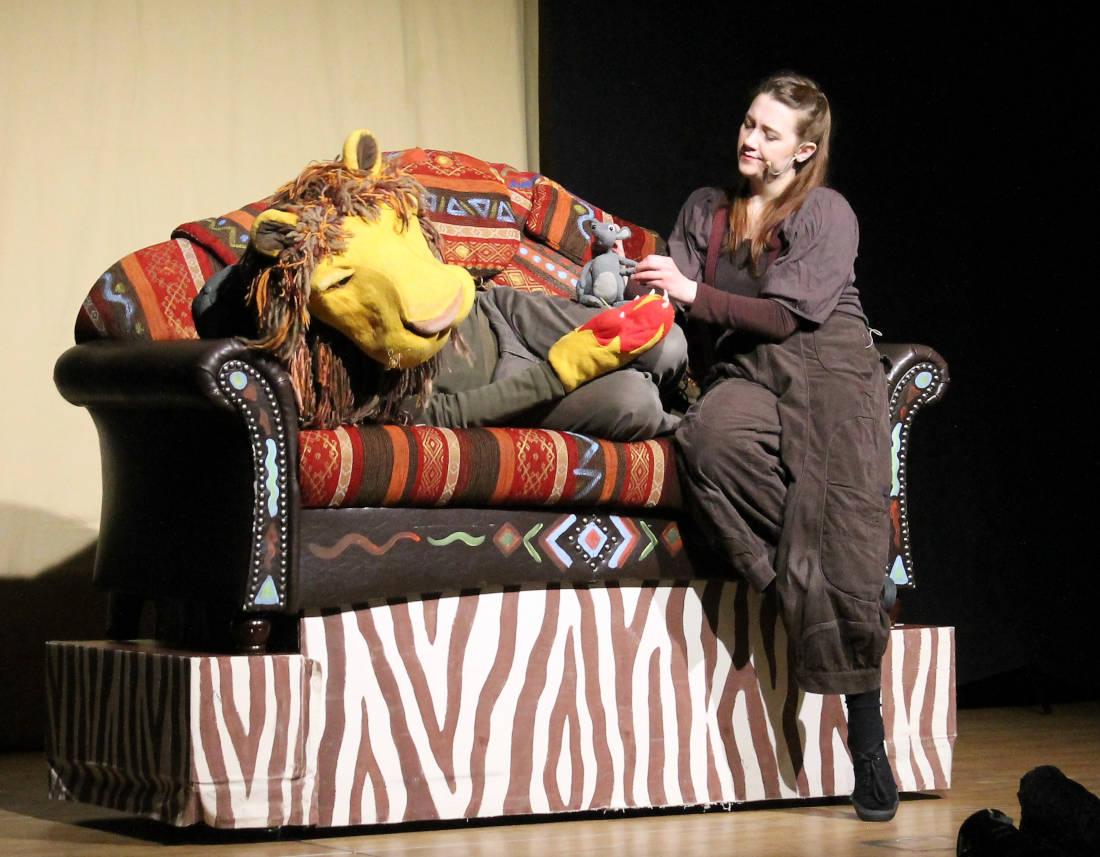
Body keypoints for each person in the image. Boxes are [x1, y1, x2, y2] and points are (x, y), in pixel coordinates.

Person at [628, 71, 899, 822]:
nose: (749, 139)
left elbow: (785, 316)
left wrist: (689, 291)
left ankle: (868, 740)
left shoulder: (826, 212)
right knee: (708, 441)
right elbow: (684, 306)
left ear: (803, 150)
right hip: (745, 367)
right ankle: (804, 583)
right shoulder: (706, 210)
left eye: (769, 133)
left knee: (837, 510)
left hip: (827, 360)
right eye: (749, 123)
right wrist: (649, 298)